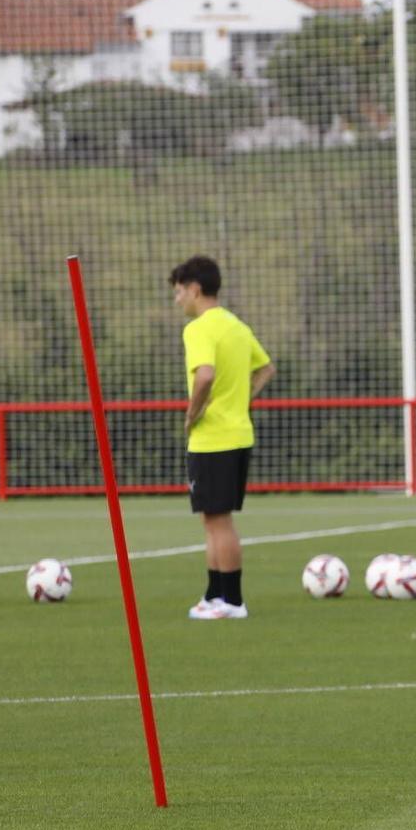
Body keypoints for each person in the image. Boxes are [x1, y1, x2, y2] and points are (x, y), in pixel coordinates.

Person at [171, 256, 273, 620]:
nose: (177, 300)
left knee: (220, 521)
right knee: (212, 519)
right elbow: (266, 367)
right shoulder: (236, 325)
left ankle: (232, 600)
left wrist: (192, 413)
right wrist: (242, 400)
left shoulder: (199, 329)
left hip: (214, 437)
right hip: (237, 432)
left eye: (179, 292)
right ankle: (215, 595)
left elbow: (205, 376)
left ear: (195, 289)